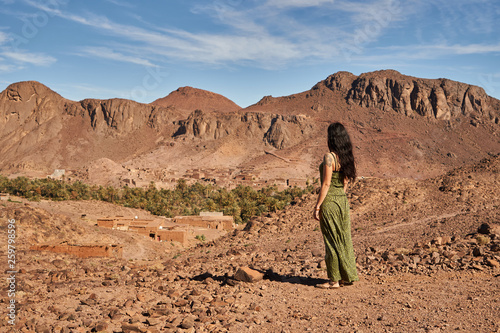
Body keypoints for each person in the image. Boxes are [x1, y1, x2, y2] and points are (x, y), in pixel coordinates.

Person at [313, 122, 358, 289]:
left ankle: (334, 280)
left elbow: (325, 184)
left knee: (331, 240)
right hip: (342, 202)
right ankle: (346, 276)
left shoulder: (329, 157)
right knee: (344, 238)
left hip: (330, 201)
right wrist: (340, 196)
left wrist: (318, 206)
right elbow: (345, 182)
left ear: (331, 138)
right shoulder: (346, 157)